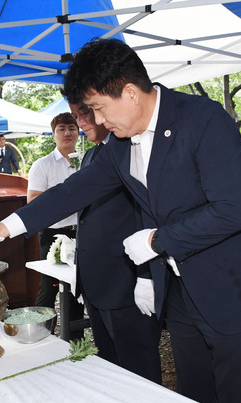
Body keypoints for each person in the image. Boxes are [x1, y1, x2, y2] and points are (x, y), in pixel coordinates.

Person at [0, 38, 241, 403]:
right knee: (194, 401)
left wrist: (156, 241)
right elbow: (73, 190)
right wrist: (0, 230)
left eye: (98, 107)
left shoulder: (202, 119)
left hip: (235, 287)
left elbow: (232, 212)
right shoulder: (119, 143)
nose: (96, 120)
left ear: (130, 92)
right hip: (183, 292)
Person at [68, 98, 162, 383]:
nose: (80, 122)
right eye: (75, 116)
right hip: (97, 284)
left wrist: (146, 276)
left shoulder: (134, 151)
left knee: (139, 371)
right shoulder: (91, 155)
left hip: (126, 285)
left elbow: (148, 216)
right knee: (109, 368)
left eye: (84, 113)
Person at [29, 113, 85, 339]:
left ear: (78, 132)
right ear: (53, 135)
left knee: (76, 287)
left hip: (82, 233)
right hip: (53, 234)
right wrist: (66, 200)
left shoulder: (87, 161)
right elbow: (33, 202)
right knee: (49, 286)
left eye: (72, 128)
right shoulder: (42, 165)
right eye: (61, 129)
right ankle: (40, 335)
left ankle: (75, 340)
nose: (67, 133)